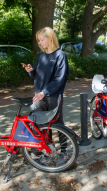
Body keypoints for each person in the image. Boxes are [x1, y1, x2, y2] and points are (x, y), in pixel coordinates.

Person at [23, 27, 69, 165]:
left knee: (58, 123)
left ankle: (64, 151)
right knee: (43, 125)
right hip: (40, 96)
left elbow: (59, 79)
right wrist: (31, 71)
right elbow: (37, 74)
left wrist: (45, 92)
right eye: (39, 41)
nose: (40, 43)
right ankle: (49, 151)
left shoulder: (60, 55)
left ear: (50, 38)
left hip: (53, 96)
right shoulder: (41, 55)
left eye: (42, 40)